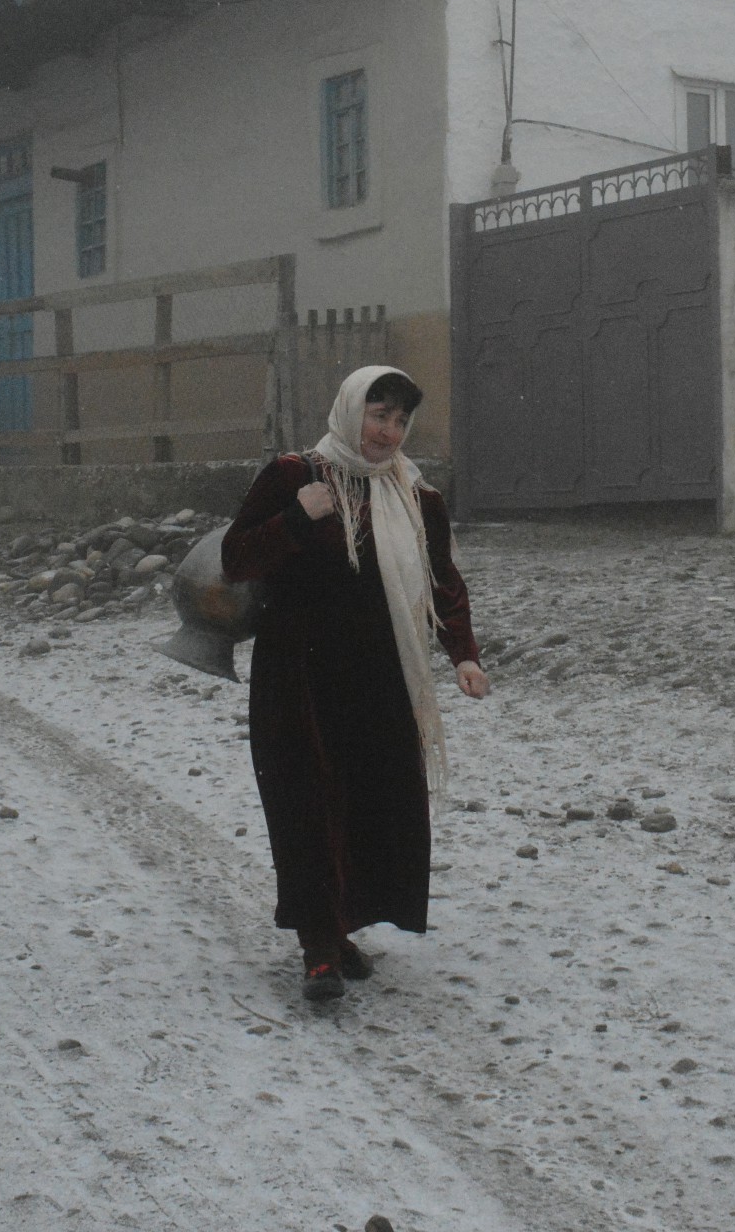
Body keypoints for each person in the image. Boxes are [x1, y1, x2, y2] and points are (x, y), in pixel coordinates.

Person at [222, 365, 490, 1002]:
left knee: (372, 803)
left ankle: (340, 927)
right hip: (299, 676)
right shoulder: (295, 477)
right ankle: (318, 946)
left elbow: (442, 581)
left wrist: (463, 654)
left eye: (400, 420)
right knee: (307, 803)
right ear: (350, 411)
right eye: (378, 415)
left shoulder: (415, 496)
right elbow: (236, 559)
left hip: (380, 675)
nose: (389, 432)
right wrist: (293, 520)